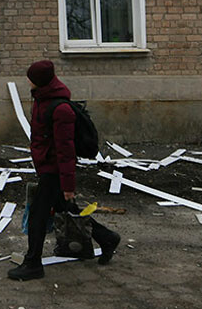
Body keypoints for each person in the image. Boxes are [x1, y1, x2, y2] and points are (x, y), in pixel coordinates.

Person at [8, 60, 121, 281]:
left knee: (37, 217)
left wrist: (68, 186)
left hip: (55, 171)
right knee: (67, 209)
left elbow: (66, 151)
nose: (28, 81)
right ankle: (107, 238)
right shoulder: (41, 99)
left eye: (31, 78)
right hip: (47, 167)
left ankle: (33, 263)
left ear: (40, 81)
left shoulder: (61, 110)